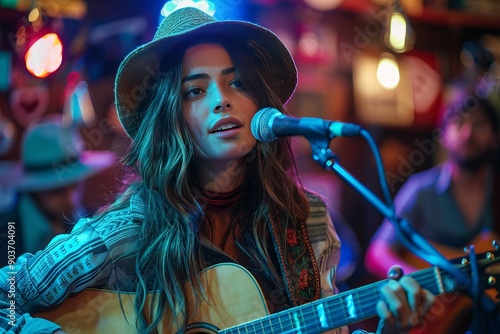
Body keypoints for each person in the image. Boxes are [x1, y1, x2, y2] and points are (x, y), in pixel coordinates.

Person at [0, 7, 434, 334]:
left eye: (237, 82)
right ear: (172, 118)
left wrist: (390, 325)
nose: (222, 100)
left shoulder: (307, 222)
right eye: (195, 90)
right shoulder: (130, 228)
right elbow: (8, 291)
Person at [365, 85, 500, 332]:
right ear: (444, 134)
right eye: (459, 123)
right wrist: (417, 282)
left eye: (479, 124)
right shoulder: (420, 190)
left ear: (495, 136)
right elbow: (377, 252)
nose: (468, 133)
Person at [0, 116, 115, 265]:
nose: (71, 198)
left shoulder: (95, 221)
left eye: (74, 184)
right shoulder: (6, 234)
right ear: (34, 190)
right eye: (57, 190)